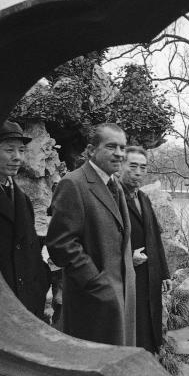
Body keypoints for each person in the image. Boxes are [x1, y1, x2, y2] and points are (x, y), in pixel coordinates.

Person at [46, 123, 136, 346]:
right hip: (92, 300)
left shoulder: (114, 184)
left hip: (121, 297)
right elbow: (61, 244)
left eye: (123, 148)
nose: (119, 154)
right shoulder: (73, 183)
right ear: (91, 150)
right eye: (111, 147)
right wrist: (96, 283)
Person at [0, 121, 50, 319]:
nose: (17, 157)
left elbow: (24, 245)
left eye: (21, 150)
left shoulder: (22, 199)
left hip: (28, 302)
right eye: (9, 150)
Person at [118, 146, 171, 353]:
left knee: (151, 330)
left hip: (150, 277)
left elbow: (155, 238)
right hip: (127, 278)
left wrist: (164, 273)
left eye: (143, 167)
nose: (138, 172)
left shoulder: (144, 198)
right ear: (121, 166)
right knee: (132, 331)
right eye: (133, 166)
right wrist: (126, 257)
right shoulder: (113, 198)